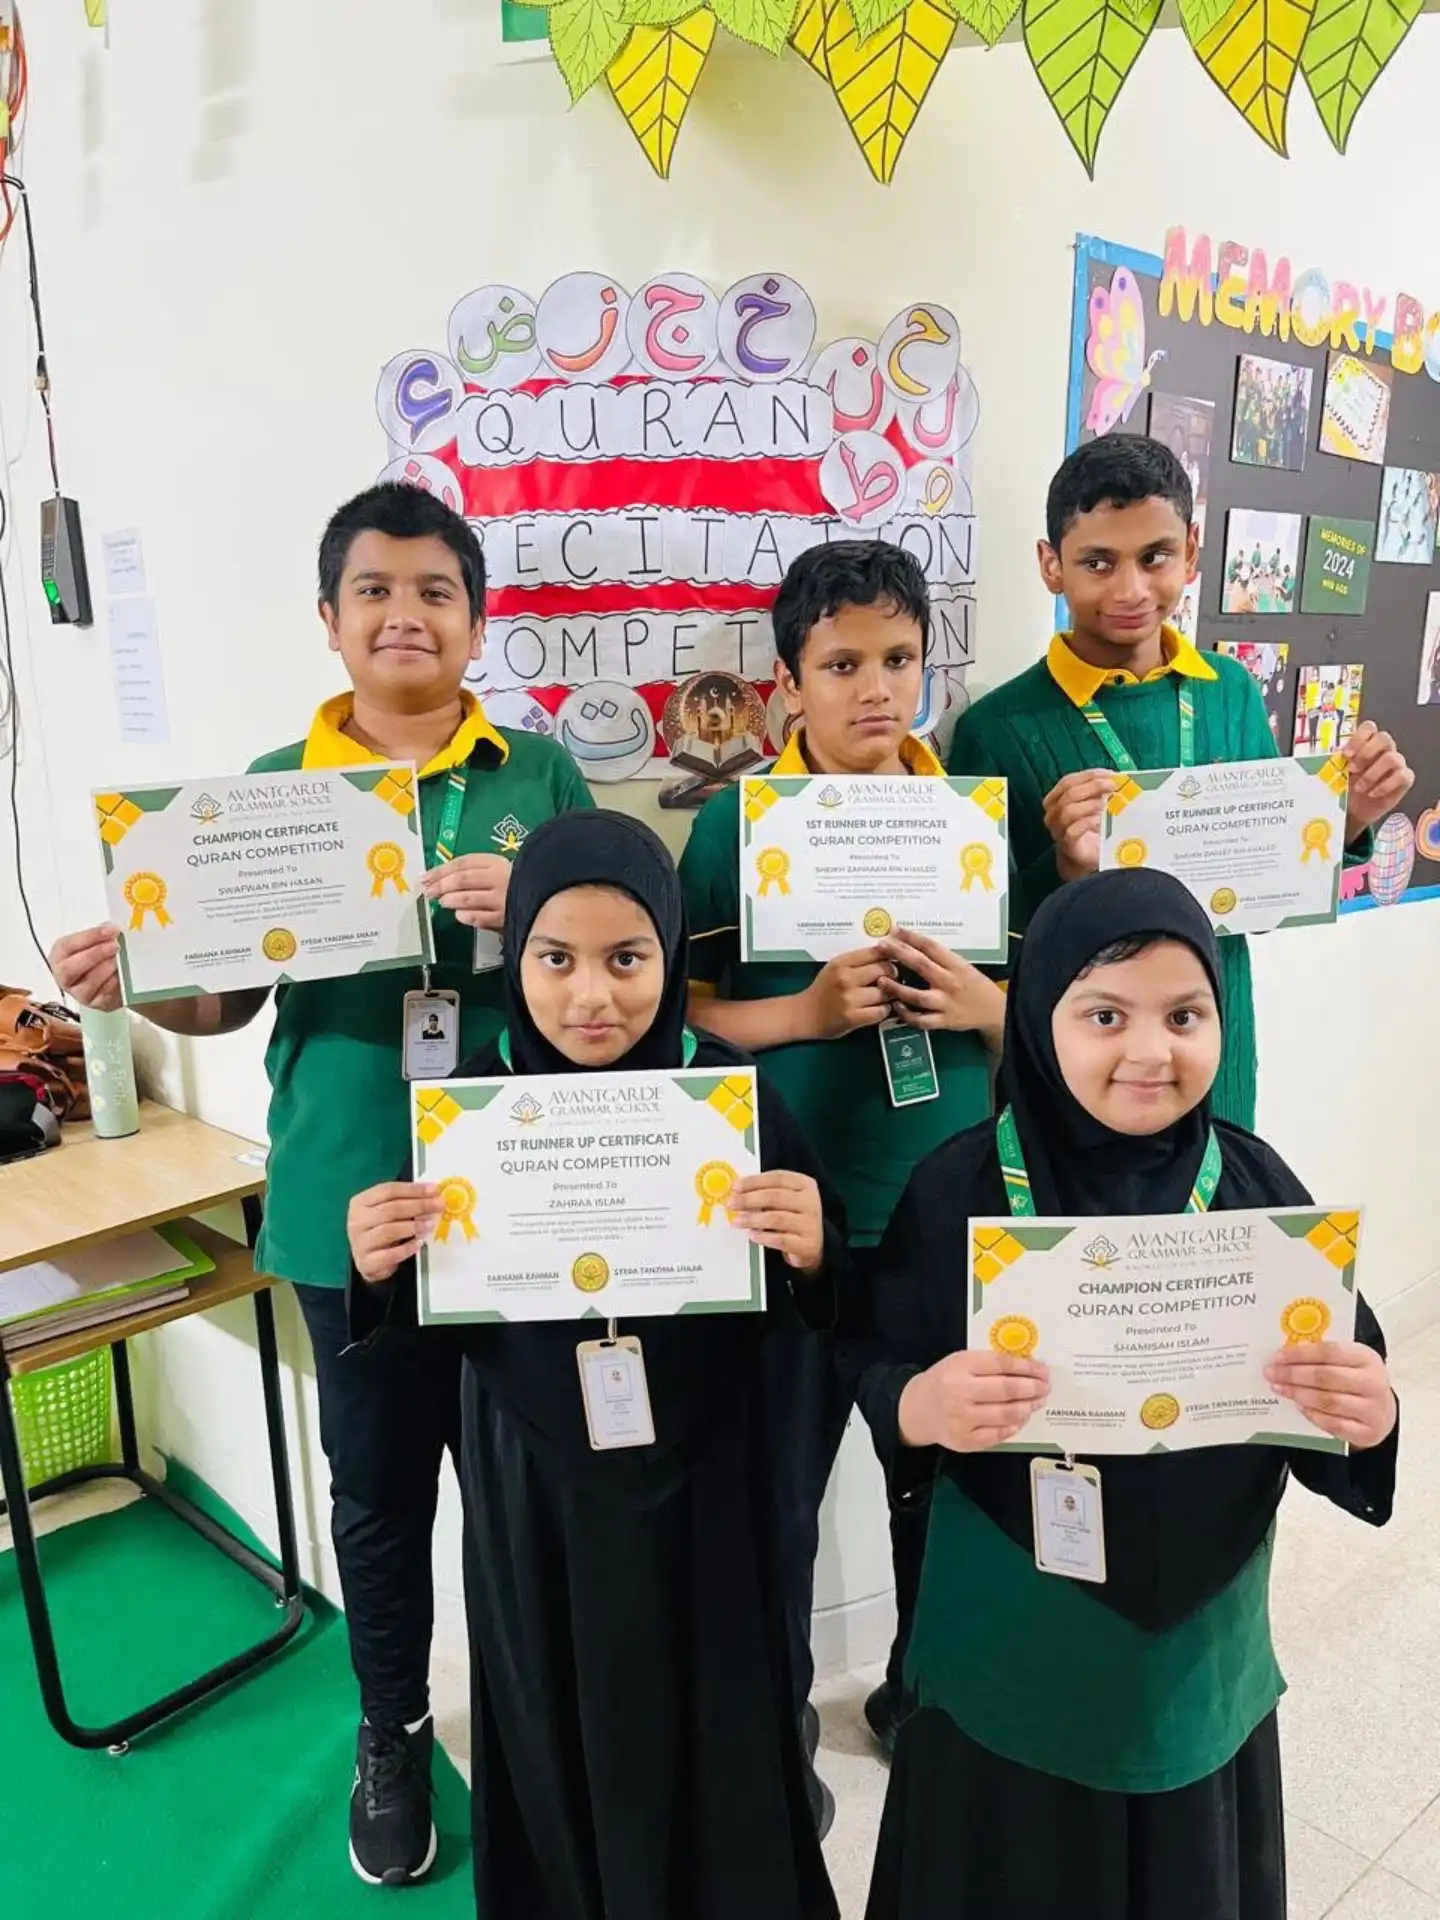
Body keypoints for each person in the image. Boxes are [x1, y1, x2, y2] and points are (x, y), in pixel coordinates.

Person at [49, 481, 593, 1888]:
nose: (406, 614)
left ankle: (542, 1730)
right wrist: (138, 980)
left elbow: (611, 977)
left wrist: (537, 915)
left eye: (436, 591)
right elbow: (224, 1004)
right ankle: (392, 1730)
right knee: (380, 1494)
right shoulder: (269, 791)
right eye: (376, 591)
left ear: (477, 620)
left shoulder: (541, 779)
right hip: (346, 1208)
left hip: (531, 1203)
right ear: (329, 619)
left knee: (537, 1487)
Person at [860, 869, 1399, 1920]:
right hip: (1014, 1617)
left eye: (1185, 1016)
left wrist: (1367, 1415)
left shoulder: (1254, 1187)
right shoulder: (959, 1186)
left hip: (1199, 1638)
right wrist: (918, 1406)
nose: (1151, 1052)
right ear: (1035, 1017)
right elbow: (875, 1355)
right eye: (1105, 1015)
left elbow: (1348, 1368)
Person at [345, 811, 847, 1920]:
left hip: (710, 1474)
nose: (592, 998)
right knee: (553, 1716)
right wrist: (377, 1267)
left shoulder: (732, 1098)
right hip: (535, 1481)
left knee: (722, 1711)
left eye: (627, 960)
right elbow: (421, 1340)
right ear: (514, 956)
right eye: (555, 959)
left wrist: (815, 1250)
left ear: (669, 956)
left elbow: (818, 1304)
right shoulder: (467, 1110)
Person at [678, 541, 1006, 1785]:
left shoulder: (973, 821)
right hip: (791, 1219)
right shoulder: (734, 826)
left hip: (946, 1214)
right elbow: (675, 1012)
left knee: (940, 1480)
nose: (877, 689)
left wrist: (985, 1007)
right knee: (779, 1495)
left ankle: (926, 1687)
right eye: (843, 664)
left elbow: (1048, 1022)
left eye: (900, 660)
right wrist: (804, 1016)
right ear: (788, 682)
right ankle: (776, 1728)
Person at [947, 434, 1413, 1128]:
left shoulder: (1230, 691)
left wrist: (1352, 815)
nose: (1130, 589)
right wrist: (1065, 869)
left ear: (1192, 552)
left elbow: (1269, 885)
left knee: (1215, 1190)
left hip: (1215, 1037)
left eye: (1155, 557)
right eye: (1098, 562)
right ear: (1051, 565)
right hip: (1075, 1064)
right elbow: (980, 943)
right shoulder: (998, 727)